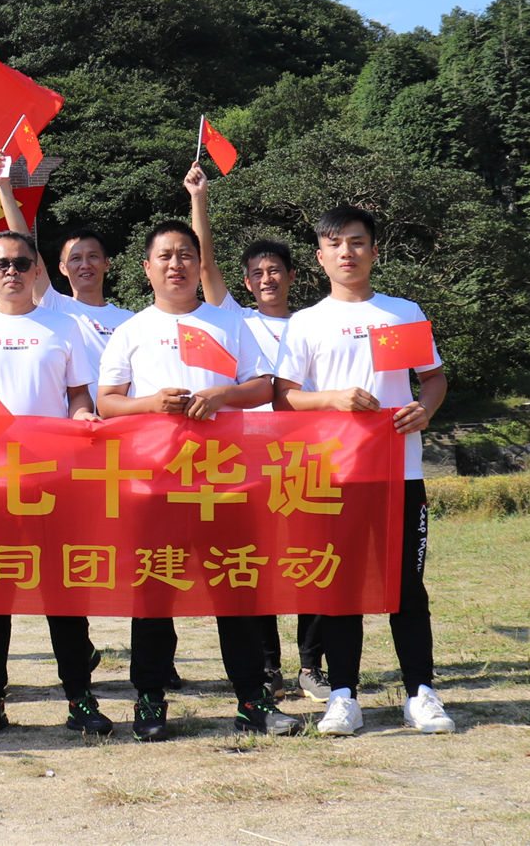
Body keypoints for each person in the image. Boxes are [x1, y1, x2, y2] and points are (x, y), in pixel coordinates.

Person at [95, 212, 303, 740]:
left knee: (236, 591)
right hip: (153, 485)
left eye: (186, 255)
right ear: (146, 268)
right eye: (164, 256)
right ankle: (149, 699)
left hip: (225, 484)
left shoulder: (230, 322)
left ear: (199, 264)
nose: (176, 264)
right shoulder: (131, 330)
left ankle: (253, 701)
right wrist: (150, 404)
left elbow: (264, 388)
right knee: (153, 595)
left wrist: (221, 395)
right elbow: (106, 401)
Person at [273, 204, 456, 737]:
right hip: (332, 477)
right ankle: (343, 695)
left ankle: (420, 692)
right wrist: (333, 399)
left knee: (406, 586)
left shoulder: (401, 312)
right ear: (320, 256)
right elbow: (285, 399)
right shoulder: (306, 322)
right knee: (339, 586)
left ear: (373, 252)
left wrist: (426, 408)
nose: (346, 252)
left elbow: (434, 379)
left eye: (356, 242)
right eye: (335, 244)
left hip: (399, 473)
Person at [0, 230, 114, 739]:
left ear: (37, 270)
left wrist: (83, 419)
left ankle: (79, 697)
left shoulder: (65, 327)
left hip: (54, 480)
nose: (11, 271)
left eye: (21, 262)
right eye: (1, 264)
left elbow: (79, 395)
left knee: (64, 594)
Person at [189, 177, 327, 703]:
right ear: (245, 283)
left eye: (275, 271)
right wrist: (200, 200)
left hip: (306, 458)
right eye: (257, 273)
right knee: (258, 561)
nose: (267, 279)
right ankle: (268, 667)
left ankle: (312, 666)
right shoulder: (236, 320)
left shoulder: (316, 323)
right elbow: (203, 265)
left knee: (309, 559)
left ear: (292, 276)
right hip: (248, 459)